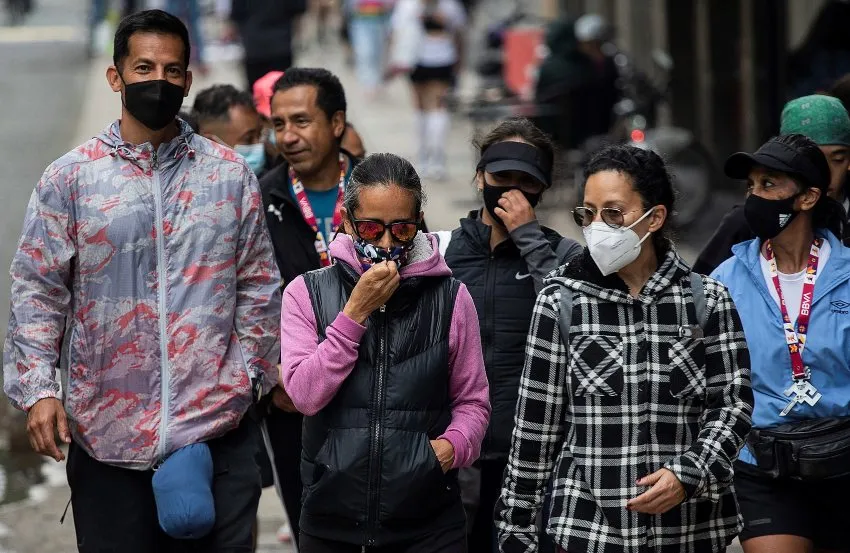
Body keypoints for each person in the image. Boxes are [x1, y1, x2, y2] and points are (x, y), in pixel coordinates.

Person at [3, 10, 282, 552]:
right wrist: (39, 390)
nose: (159, 81)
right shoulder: (72, 178)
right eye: (144, 67)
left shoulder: (227, 175)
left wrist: (249, 375)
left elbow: (258, 284)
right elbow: (38, 291)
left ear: (187, 80)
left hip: (215, 435)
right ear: (116, 77)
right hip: (107, 440)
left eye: (173, 70)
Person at [495, 144, 754, 553]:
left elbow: (733, 404)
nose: (598, 226)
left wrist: (690, 471)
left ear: (655, 217)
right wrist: (516, 529)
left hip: (690, 533)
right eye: (589, 213)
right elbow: (535, 428)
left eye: (613, 213)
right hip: (588, 532)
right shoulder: (561, 301)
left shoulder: (707, 301)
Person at [280, 152, 491, 551]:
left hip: (429, 523)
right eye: (372, 229)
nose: (388, 242)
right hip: (332, 521)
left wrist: (447, 451)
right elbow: (304, 396)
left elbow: (474, 403)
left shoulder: (451, 298)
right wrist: (353, 314)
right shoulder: (305, 293)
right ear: (347, 220)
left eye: (403, 229)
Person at [437, 117, 581, 553]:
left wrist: (528, 238)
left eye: (526, 181)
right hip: (457, 451)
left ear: (543, 187)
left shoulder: (565, 257)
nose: (511, 191)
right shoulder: (441, 251)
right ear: (480, 176)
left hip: (535, 458)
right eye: (502, 178)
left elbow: (576, 327)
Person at [711, 134, 850, 553]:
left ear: (808, 197)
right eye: (752, 186)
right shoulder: (725, 280)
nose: (755, 196)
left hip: (843, 464)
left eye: (769, 184)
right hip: (762, 468)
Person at [258, 67, 360, 547]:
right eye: (279, 124)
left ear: (337, 121)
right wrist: (267, 377)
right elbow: (238, 299)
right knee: (310, 530)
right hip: (290, 400)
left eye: (301, 121)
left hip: (373, 396)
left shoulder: (380, 188)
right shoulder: (259, 199)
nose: (288, 136)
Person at [693, 94, 850, 274]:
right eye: (810, 162)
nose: (825, 173)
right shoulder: (746, 223)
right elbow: (697, 290)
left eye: (837, 158)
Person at [390, 0, 466, 180]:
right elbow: (459, 32)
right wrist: (460, 60)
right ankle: (437, 160)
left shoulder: (407, 4)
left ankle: (423, 158)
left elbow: (396, 32)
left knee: (420, 106)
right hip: (443, 59)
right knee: (439, 107)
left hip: (417, 59)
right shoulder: (450, 5)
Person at [192, 84, 269, 176]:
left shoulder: (271, 182)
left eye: (260, 135)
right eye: (248, 139)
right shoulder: (186, 186)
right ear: (210, 144)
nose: (259, 145)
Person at [229, 0, 305, 89]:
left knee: (256, 92)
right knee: (282, 90)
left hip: (254, 44)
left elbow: (236, 13)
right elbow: (298, 9)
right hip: (280, 43)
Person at [346, 0, 394, 97]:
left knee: (379, 54)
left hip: (382, 21)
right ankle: (368, 83)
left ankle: (378, 81)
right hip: (360, 21)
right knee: (365, 53)